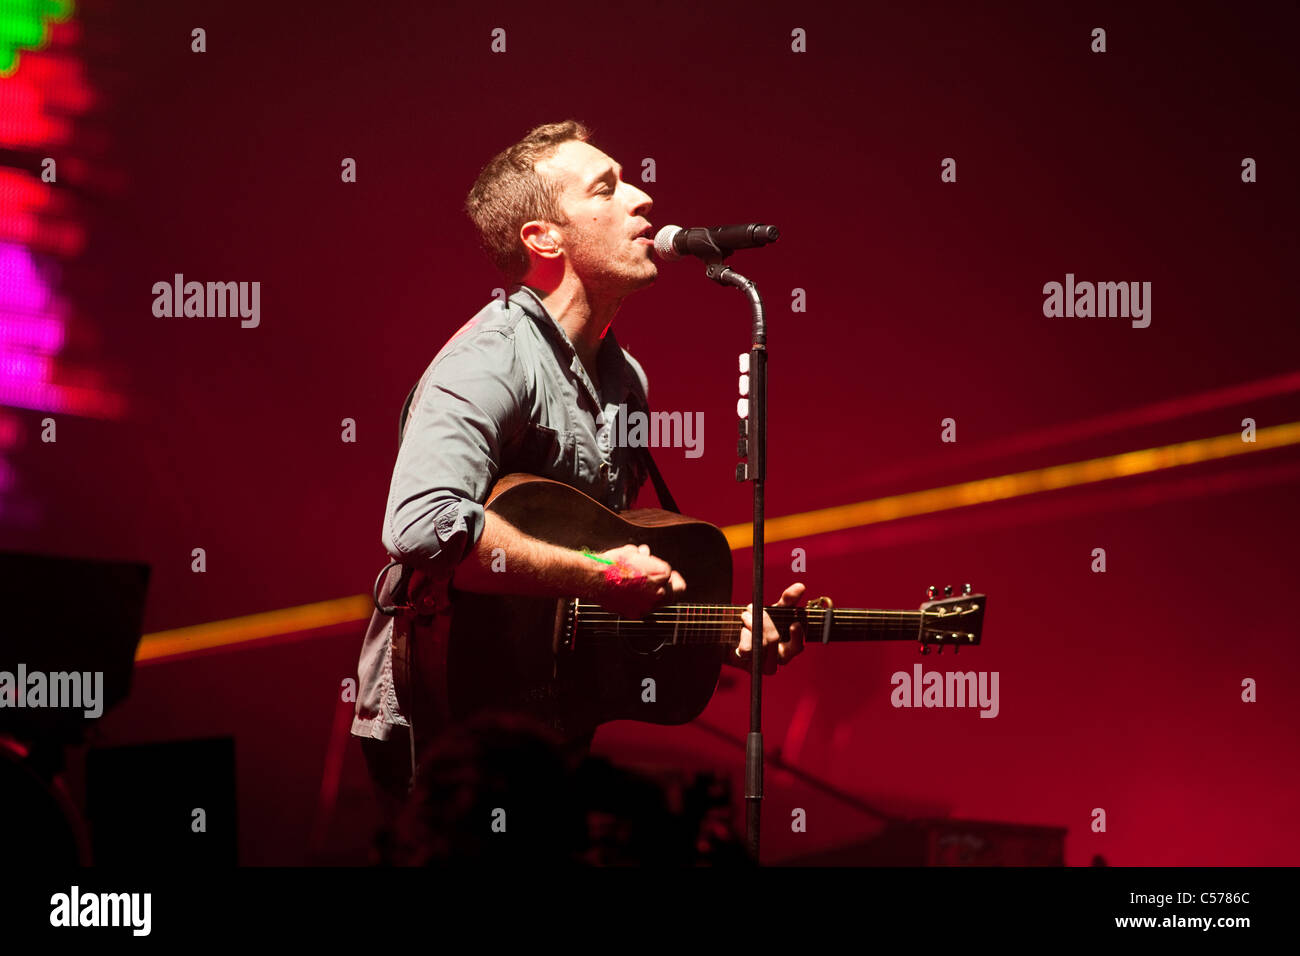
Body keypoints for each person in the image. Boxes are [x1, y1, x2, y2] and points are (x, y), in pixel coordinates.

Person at [351, 120, 805, 823]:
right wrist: (599, 573)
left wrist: (717, 630)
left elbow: (588, 577)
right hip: (445, 725)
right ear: (544, 239)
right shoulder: (490, 360)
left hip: (550, 723)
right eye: (608, 187)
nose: (643, 197)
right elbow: (420, 527)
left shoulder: (626, 379)